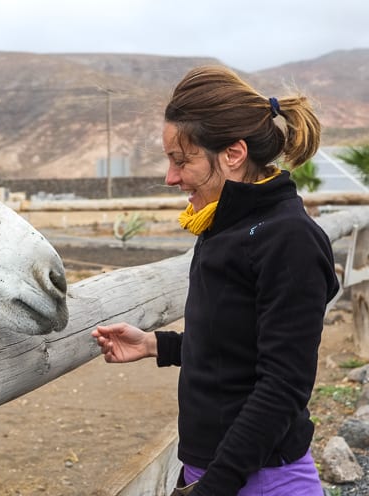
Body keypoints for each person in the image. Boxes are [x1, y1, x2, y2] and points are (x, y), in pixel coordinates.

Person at [92, 66, 339, 496]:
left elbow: (283, 385)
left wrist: (214, 486)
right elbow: (235, 346)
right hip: (216, 473)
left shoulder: (288, 238)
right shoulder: (225, 226)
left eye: (181, 160)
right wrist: (155, 345)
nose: (171, 177)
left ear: (233, 153)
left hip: (261, 481)